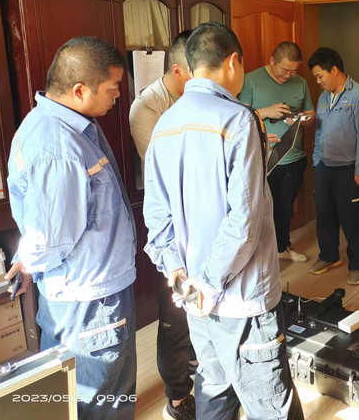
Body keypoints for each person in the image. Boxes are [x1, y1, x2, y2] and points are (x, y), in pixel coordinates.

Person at [143, 22, 304, 420]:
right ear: (234, 62)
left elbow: (157, 216)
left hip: (193, 296)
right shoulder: (238, 119)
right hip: (240, 297)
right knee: (271, 403)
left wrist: (181, 276)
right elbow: (244, 222)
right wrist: (211, 284)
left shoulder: (164, 123)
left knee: (214, 391)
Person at [5, 37, 137, 420]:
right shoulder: (59, 148)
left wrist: (28, 260)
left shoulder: (59, 124)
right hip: (90, 301)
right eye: (112, 88)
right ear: (80, 90)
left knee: (84, 394)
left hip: (82, 291)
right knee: (104, 401)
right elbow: (50, 238)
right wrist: (31, 259)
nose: (117, 96)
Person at [129, 30, 197, 420]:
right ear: (179, 70)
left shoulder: (196, 98)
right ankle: (177, 397)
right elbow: (167, 171)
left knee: (197, 308)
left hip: (199, 221)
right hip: (171, 227)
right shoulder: (146, 109)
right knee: (174, 315)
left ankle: (195, 363)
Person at [238, 42, 316, 263]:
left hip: (294, 157)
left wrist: (299, 118)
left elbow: (311, 116)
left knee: (285, 208)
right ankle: (261, 256)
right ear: (272, 61)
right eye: (284, 70)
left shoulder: (300, 83)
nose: (288, 75)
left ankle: (283, 247)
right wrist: (266, 112)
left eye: (294, 71)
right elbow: (240, 116)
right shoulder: (251, 80)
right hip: (263, 159)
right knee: (259, 210)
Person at [308, 47, 359, 285]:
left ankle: (357, 264)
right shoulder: (323, 98)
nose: (318, 82)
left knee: (353, 220)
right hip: (324, 168)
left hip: (348, 170)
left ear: (334, 70)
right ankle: (329, 256)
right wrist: (317, 161)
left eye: (320, 76)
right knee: (324, 216)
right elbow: (319, 132)